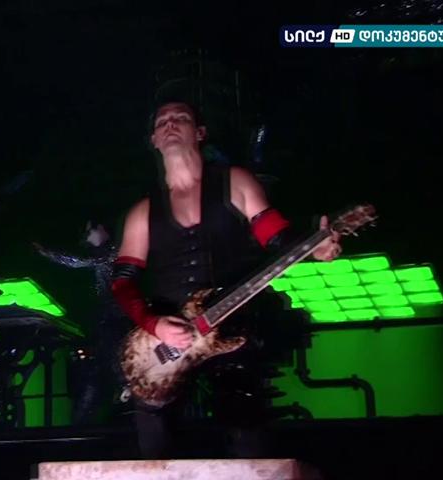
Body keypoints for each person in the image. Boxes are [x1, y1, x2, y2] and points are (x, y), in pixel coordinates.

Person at [110, 100, 342, 459]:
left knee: (247, 429)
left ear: (200, 132)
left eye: (181, 118)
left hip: (233, 327)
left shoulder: (235, 182)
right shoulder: (143, 211)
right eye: (162, 122)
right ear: (153, 139)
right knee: (154, 438)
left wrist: (315, 246)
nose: (170, 124)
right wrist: (154, 324)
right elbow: (122, 282)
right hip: (166, 340)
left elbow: (277, 237)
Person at [33, 220, 130, 425]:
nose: (89, 235)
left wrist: (47, 252)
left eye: (91, 229)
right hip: (108, 320)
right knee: (98, 368)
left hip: (117, 319)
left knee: (112, 361)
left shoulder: (112, 253)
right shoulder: (105, 255)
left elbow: (77, 261)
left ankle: (123, 394)